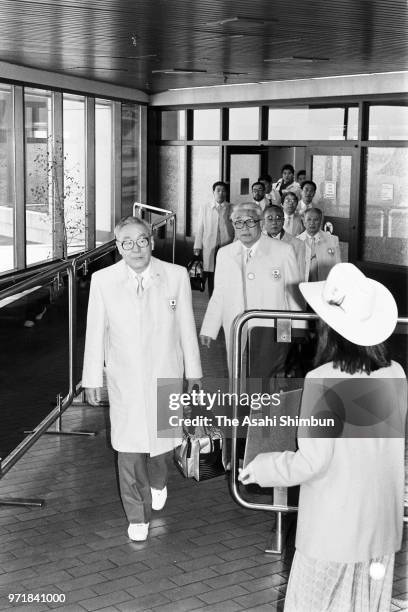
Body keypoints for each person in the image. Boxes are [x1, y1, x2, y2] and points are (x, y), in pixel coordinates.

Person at [239, 262, 406, 612]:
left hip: (334, 529)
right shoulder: (395, 373)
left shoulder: (324, 379)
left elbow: (314, 461)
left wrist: (263, 466)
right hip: (380, 525)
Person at [82, 215, 202, 542]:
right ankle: (136, 514)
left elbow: (187, 329)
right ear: (118, 247)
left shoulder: (175, 276)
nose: (136, 248)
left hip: (166, 373)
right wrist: (92, 378)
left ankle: (158, 481)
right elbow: (95, 333)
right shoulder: (103, 280)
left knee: (162, 440)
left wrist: (194, 373)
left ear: (151, 241)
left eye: (142, 240)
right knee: (129, 444)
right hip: (125, 378)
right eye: (127, 243)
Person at [200, 202, 303, 376]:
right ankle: (240, 403)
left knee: (266, 377)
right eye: (238, 222)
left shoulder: (283, 251)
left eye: (250, 221)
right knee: (238, 374)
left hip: (271, 327)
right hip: (236, 324)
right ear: (232, 225)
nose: (244, 228)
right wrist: (209, 328)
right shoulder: (225, 253)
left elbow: (293, 296)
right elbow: (219, 293)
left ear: (261, 223)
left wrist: (295, 331)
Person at [193, 181, 234, 296]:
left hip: (226, 245)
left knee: (223, 274)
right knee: (210, 274)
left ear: (226, 193)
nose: (221, 193)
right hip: (209, 246)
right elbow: (200, 228)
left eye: (223, 190)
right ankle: (212, 300)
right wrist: (197, 246)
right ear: (213, 192)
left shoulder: (232, 207)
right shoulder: (205, 207)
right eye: (218, 190)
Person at [263, 205, 306, 280]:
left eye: (278, 218)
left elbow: (300, 275)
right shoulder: (256, 242)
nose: (274, 222)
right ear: (263, 221)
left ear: (283, 221)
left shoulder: (298, 245)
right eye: (270, 219)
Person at [298, 207, 341, 281]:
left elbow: (337, 265)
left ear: (321, 222)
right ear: (304, 222)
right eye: (309, 219)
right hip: (302, 284)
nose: (312, 223)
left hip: (325, 282)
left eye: (316, 220)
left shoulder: (333, 240)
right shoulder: (296, 241)